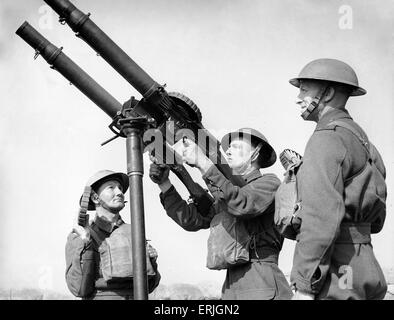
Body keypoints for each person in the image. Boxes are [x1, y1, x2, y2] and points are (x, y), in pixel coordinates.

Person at [150, 129, 293, 300]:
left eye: (237, 147)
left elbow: (241, 204)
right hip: (232, 285)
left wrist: (203, 163)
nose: (229, 151)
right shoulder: (226, 194)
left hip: (261, 281)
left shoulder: (269, 183)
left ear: (256, 153)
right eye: (228, 147)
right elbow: (191, 220)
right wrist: (165, 184)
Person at [288, 58, 387, 300]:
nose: (298, 98)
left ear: (328, 92)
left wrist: (303, 285)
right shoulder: (364, 142)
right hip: (366, 265)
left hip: (337, 271)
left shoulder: (326, 138)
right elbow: (377, 221)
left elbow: (320, 215)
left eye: (304, 89)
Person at [65, 170, 161, 300]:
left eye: (120, 188)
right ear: (95, 198)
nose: (120, 192)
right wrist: (86, 243)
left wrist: (152, 261)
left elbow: (150, 286)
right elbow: (79, 288)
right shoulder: (80, 236)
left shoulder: (135, 232)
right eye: (111, 188)